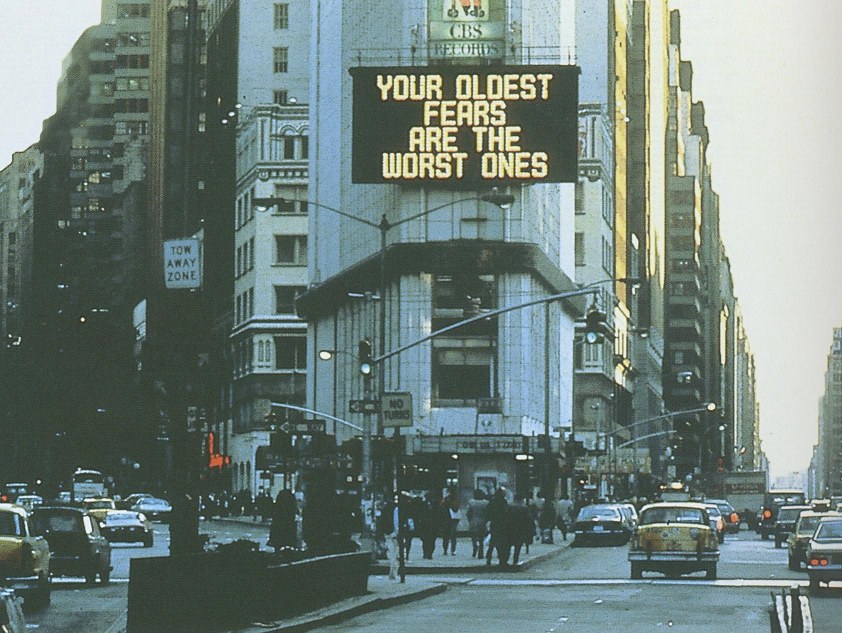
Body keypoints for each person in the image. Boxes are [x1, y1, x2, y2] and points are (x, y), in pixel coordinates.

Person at [508, 497, 536, 565]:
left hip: (510, 528)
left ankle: (506, 558)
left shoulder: (509, 506)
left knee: (508, 544)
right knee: (518, 545)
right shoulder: (524, 508)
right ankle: (515, 560)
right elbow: (528, 519)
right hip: (520, 528)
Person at [486, 488, 509, 567]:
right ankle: (501, 559)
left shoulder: (492, 501)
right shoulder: (503, 502)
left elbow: (488, 512)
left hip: (494, 523)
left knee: (492, 542)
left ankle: (488, 557)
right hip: (502, 524)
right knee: (501, 542)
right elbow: (506, 512)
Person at [466, 489, 489, 559]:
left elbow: (468, 513)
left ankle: (475, 547)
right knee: (481, 539)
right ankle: (480, 553)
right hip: (482, 522)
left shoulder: (471, 503)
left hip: (473, 521)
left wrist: (470, 520)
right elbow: (487, 513)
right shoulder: (486, 503)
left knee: (473, 537)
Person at [417, 494, 438, 559]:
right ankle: (425, 553)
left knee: (432, 540)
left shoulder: (435, 505)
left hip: (433, 525)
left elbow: (438, 514)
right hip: (425, 525)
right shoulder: (422, 504)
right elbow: (420, 513)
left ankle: (430, 553)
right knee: (425, 540)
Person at [440, 490, 460, 555]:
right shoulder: (455, 500)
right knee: (452, 536)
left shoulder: (447, 501)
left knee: (446, 536)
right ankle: (452, 550)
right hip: (452, 520)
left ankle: (445, 550)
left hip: (447, 520)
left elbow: (442, 509)